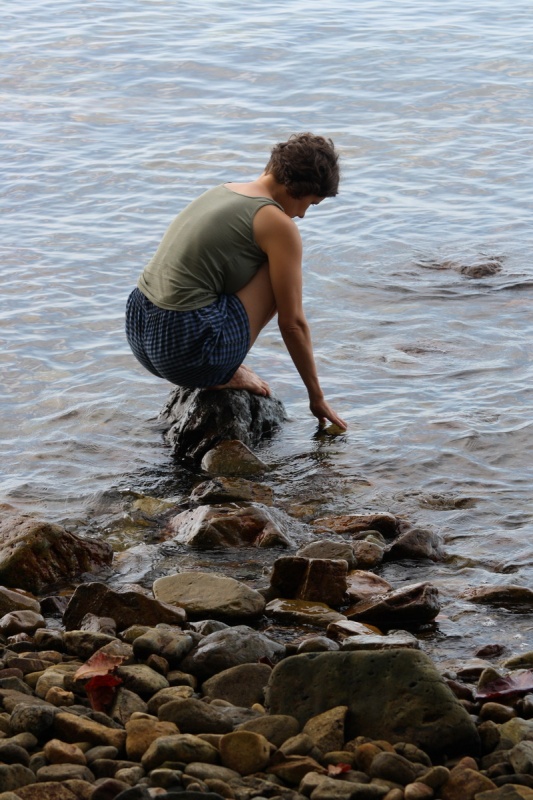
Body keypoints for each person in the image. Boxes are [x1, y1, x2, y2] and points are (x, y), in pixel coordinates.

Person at [126, 132, 347, 430]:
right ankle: (223, 370)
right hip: (184, 352)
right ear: (300, 189)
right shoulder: (277, 222)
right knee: (280, 273)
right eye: (310, 203)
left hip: (139, 329)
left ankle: (220, 364)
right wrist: (316, 397)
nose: (303, 215)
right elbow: (292, 323)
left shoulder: (223, 191)